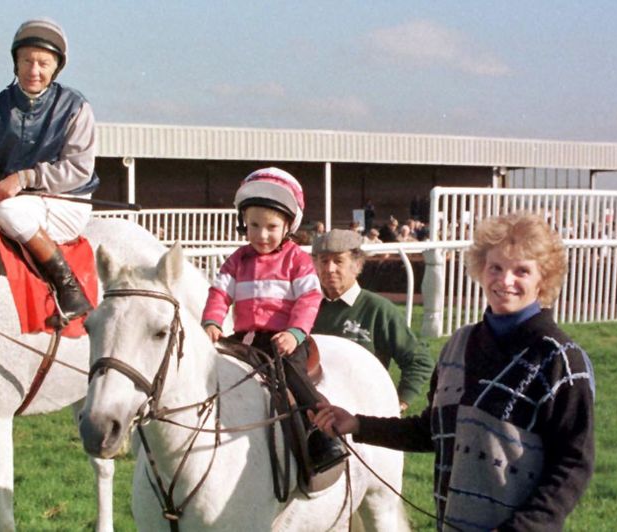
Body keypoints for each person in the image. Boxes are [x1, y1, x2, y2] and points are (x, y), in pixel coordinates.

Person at [311, 213, 595, 531]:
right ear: (481, 270)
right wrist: (358, 425)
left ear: (543, 278)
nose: (505, 280)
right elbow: (434, 431)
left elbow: (573, 464)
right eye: (496, 268)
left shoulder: (561, 360)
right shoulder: (458, 345)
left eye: (522, 271)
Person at [201, 167, 348, 475]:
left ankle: (323, 435)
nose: (261, 235)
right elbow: (218, 293)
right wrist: (212, 322)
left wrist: (295, 333)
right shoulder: (237, 260)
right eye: (254, 225)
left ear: (287, 227)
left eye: (270, 226)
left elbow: (309, 300)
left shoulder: (298, 260)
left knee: (293, 376)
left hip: (285, 340)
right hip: (245, 339)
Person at [0, 18, 98, 320]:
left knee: (9, 214)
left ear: (55, 68)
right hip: (17, 201)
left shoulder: (76, 107)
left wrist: (24, 178)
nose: (34, 71)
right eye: (27, 61)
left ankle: (69, 287)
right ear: (16, 63)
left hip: (66, 200)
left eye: (43, 63)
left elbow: (78, 170)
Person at [310, 229, 434, 410]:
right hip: (311, 413)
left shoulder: (378, 309)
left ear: (357, 265)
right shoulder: (307, 308)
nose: (330, 269)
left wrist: (399, 401)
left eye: (338, 261)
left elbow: (419, 360)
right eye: (324, 261)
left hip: (361, 417)